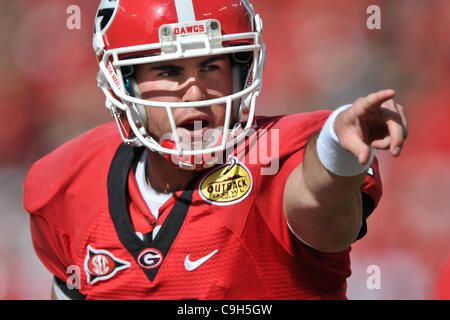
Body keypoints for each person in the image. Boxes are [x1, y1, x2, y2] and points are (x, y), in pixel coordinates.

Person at [23, 0, 408, 300]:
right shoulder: (69, 181)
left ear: (241, 69)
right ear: (125, 84)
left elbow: (320, 206)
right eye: (169, 71)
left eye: (210, 67)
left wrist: (338, 146)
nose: (195, 91)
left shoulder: (276, 153)